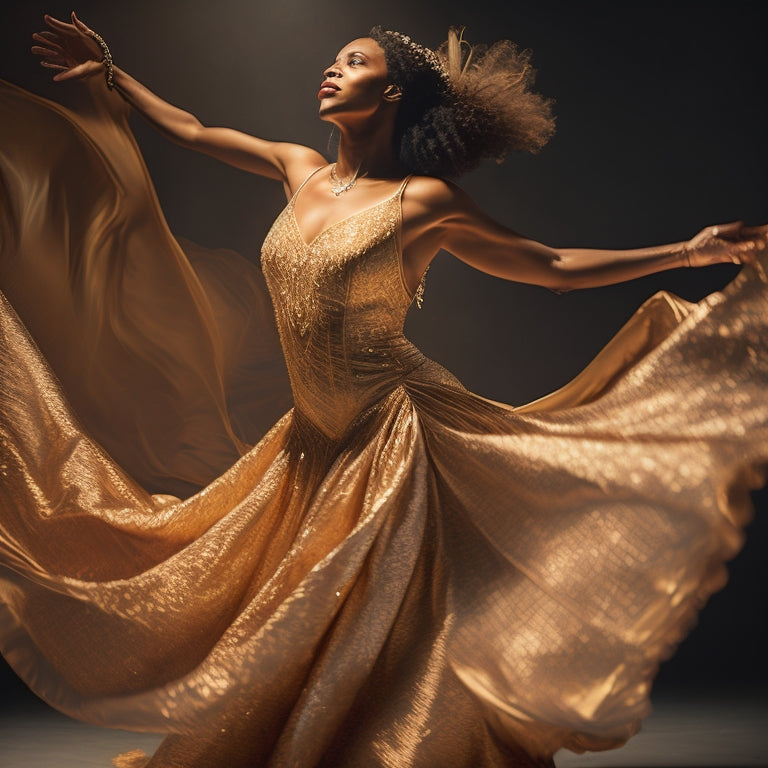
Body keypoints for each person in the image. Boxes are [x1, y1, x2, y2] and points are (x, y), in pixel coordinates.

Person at [0, 11, 766, 768]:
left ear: (393, 93)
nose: (332, 69)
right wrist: (111, 74)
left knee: (387, 621)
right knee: (294, 614)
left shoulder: (423, 202)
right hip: (313, 443)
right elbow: (195, 130)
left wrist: (687, 253)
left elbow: (552, 266)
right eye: (333, 59)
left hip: (395, 434)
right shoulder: (297, 166)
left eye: (355, 61)